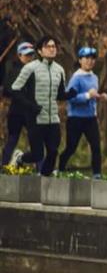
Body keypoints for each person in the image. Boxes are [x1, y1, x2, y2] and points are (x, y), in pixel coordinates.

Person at [10, 36, 73, 175]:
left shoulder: (59, 70)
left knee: (53, 152)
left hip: (53, 119)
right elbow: (15, 90)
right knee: (38, 155)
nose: (52, 49)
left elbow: (59, 94)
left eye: (54, 46)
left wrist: (70, 94)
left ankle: (44, 178)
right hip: (36, 119)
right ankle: (20, 158)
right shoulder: (30, 68)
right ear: (39, 50)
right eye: (48, 46)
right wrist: (31, 106)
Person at [58, 47, 107, 177]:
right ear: (80, 60)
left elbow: (92, 95)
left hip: (91, 118)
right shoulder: (76, 78)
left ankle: (97, 174)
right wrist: (87, 95)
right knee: (71, 147)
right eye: (86, 58)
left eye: (92, 59)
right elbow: (71, 98)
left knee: (96, 146)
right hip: (76, 118)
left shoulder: (94, 77)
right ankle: (60, 167)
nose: (90, 61)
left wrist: (100, 96)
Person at [2, 42, 36, 165]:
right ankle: (3, 166)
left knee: (36, 139)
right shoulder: (14, 70)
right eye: (26, 55)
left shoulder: (35, 71)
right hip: (16, 112)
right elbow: (7, 91)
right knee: (12, 139)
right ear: (19, 55)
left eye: (31, 55)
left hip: (31, 112)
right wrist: (20, 94)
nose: (29, 58)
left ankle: (42, 169)